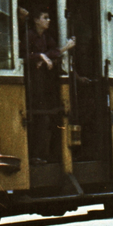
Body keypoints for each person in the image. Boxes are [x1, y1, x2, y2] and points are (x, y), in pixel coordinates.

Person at [26, 9, 73, 163]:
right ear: (36, 20)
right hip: (33, 84)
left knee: (47, 118)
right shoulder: (30, 35)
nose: (49, 20)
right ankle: (36, 155)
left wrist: (45, 56)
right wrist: (40, 56)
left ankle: (43, 154)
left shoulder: (46, 37)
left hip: (44, 83)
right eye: (45, 17)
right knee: (41, 117)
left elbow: (53, 51)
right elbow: (23, 55)